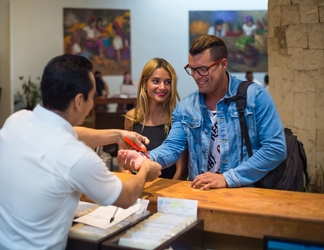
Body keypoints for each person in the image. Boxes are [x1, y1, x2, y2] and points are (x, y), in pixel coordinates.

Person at [0, 54, 161, 249]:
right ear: (79, 101)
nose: (92, 103)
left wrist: (118, 135)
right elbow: (126, 197)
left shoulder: (16, 121)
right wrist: (146, 170)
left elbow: (72, 133)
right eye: (92, 97)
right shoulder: (77, 157)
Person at [118, 35, 286, 190]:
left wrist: (228, 178)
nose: (197, 77)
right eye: (192, 69)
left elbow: (275, 148)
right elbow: (172, 147)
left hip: (245, 195)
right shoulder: (187, 106)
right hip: (200, 196)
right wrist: (145, 158)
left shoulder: (254, 96)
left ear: (223, 64)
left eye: (203, 69)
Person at [122, 58, 188, 180]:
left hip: (167, 193)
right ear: (144, 83)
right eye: (156, 81)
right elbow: (125, 162)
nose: (162, 87)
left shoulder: (177, 119)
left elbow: (181, 172)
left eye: (168, 82)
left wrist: (167, 197)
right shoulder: (132, 117)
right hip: (137, 190)